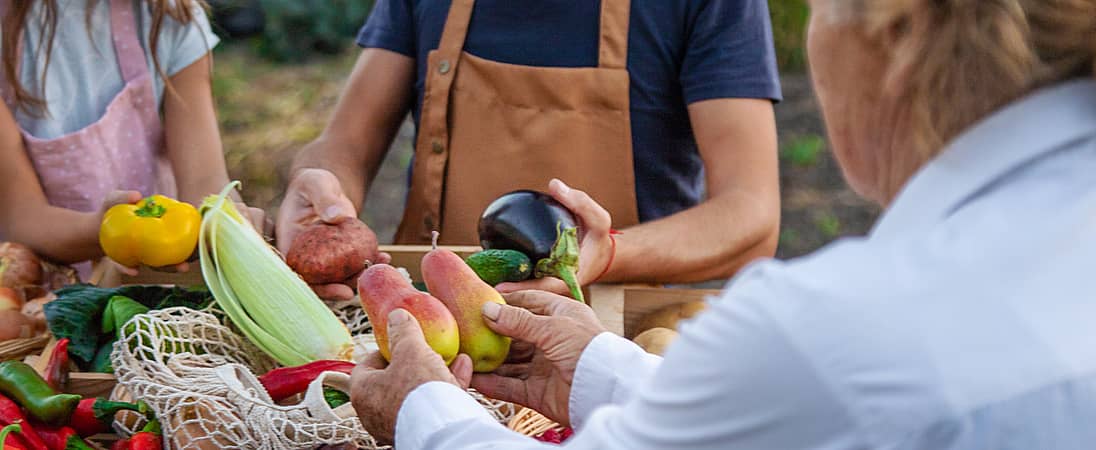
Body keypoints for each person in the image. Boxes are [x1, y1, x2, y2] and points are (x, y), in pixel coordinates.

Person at [349, 0, 1096, 447]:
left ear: (895, 40)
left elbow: (819, 375)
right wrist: (604, 372)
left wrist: (420, 411)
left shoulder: (826, 330)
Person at [277, 0, 782, 300]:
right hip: (431, 337)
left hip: (610, 351)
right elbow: (345, 142)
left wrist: (607, 257)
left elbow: (750, 216)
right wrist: (323, 192)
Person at [0, 0, 262, 273]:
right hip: (42, 291)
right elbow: (21, 219)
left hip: (151, 280)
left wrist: (225, 218)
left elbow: (204, 181)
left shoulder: (169, 15)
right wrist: (112, 230)